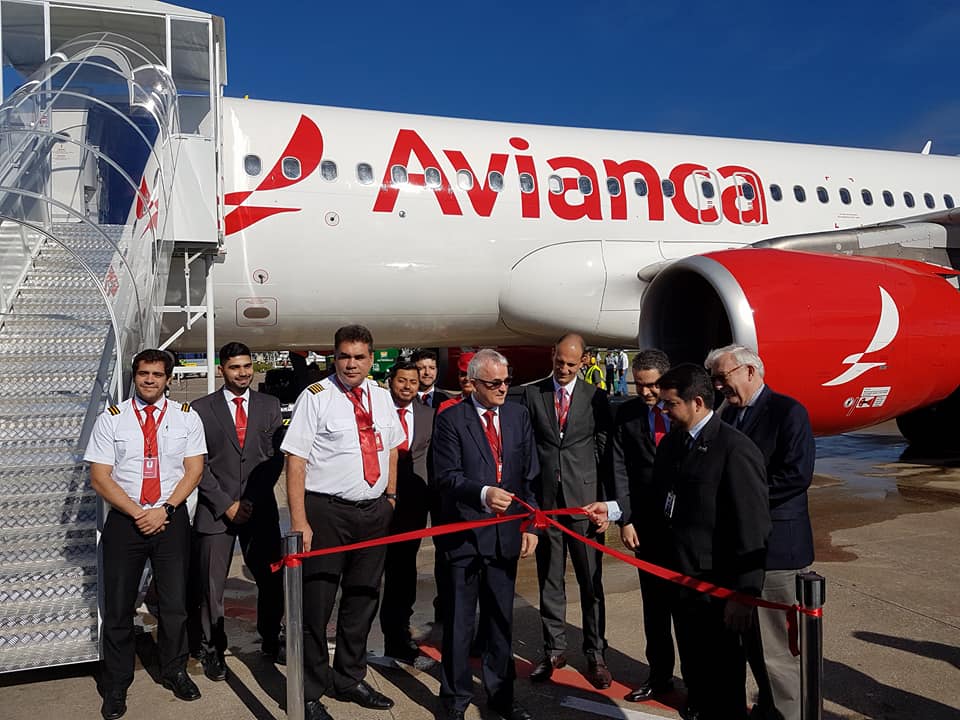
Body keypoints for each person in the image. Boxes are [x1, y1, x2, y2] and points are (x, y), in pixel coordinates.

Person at [586, 363, 770, 720]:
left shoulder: (734, 449)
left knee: (723, 678)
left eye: (670, 404)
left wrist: (744, 595)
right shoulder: (673, 443)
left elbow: (753, 528)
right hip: (680, 581)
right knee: (695, 670)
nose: (664, 410)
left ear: (696, 402)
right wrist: (612, 509)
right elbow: (656, 500)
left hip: (716, 589)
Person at [281, 325, 405, 720]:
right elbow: (296, 460)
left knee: (363, 599)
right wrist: (299, 520)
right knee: (317, 604)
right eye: (344, 356)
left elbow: (392, 450)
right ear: (334, 357)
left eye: (359, 357)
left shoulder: (382, 397)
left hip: (373, 512)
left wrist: (390, 497)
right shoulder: (316, 397)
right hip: (326, 512)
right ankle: (310, 690)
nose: (351, 364)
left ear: (371, 359)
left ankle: (350, 678)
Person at [84, 349, 206, 720]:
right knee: (118, 606)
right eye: (143, 373)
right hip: (127, 520)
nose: (149, 380)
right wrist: (139, 513)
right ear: (134, 376)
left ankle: (174, 669)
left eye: (156, 374)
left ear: (169, 378)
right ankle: (116, 683)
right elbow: (100, 477)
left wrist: (164, 510)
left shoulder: (187, 417)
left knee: (174, 604)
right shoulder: (112, 419)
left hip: (170, 518)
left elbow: (194, 470)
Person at [705, 345, 816, 720]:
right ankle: (768, 709)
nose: (719, 386)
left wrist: (741, 498)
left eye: (723, 377)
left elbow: (796, 475)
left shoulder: (787, 412)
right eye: (715, 380)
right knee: (752, 646)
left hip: (777, 550)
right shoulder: (727, 414)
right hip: (738, 550)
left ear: (750, 371)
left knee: (778, 652)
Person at [431, 349, 540, 720]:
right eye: (494, 383)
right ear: (473, 383)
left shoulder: (517, 415)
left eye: (507, 381)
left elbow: (529, 476)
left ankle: (501, 696)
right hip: (463, 538)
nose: (503, 388)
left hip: (505, 537)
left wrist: (531, 525)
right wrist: (482, 493)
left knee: (500, 623)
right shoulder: (452, 419)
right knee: (459, 625)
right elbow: (446, 476)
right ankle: (455, 699)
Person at [189, 342, 285, 683]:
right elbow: (197, 463)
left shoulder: (269, 405)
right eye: (235, 367)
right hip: (216, 509)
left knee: (271, 579)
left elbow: (274, 458)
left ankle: (271, 638)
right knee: (211, 586)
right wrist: (225, 503)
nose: (242, 373)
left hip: (259, 508)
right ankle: (212, 649)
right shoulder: (200, 409)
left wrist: (251, 500)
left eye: (247, 366)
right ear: (221, 370)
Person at [521, 333, 612, 689]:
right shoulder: (534, 394)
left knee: (591, 583)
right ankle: (554, 649)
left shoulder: (595, 397)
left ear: (583, 361)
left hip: (584, 504)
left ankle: (596, 652)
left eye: (571, 364)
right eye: (559, 362)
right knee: (550, 580)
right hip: (548, 507)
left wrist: (606, 504)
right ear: (552, 356)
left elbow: (604, 451)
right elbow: (528, 449)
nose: (563, 369)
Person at [610, 349, 679, 702]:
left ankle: (697, 687)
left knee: (687, 611)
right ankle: (659, 676)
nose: (646, 392)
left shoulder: (684, 412)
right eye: (639, 385)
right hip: (646, 527)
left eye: (652, 385)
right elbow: (619, 469)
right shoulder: (627, 415)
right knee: (654, 609)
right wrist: (625, 519)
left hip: (684, 529)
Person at [380, 359, 435, 663]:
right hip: (377, 503)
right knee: (370, 570)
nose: (407, 387)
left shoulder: (429, 415)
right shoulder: (377, 412)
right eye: (402, 381)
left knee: (403, 572)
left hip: (413, 505)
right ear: (391, 381)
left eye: (413, 382)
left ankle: (398, 634)